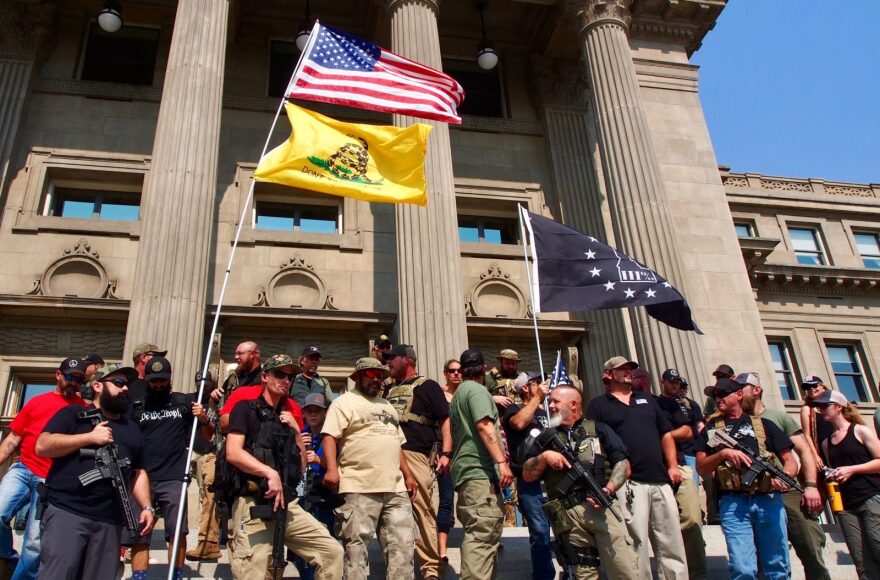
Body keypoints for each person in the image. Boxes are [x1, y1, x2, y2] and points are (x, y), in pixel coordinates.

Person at [226, 354, 342, 580]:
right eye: (279, 374)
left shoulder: (287, 417)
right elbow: (233, 452)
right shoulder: (245, 409)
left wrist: (298, 432)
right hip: (254, 501)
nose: (285, 380)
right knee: (255, 571)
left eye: (289, 376)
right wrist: (268, 472)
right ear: (265, 377)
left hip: (287, 504)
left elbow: (300, 466)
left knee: (332, 552)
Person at [35, 365, 155, 579]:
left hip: (110, 522)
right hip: (68, 512)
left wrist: (146, 506)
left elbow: (138, 472)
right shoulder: (74, 413)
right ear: (98, 385)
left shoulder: (133, 429)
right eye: (118, 383)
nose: (125, 388)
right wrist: (88, 438)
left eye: (127, 384)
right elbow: (42, 445)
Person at [522, 385, 639, 579]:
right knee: (583, 574)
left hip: (601, 509)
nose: (550, 405)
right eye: (550, 401)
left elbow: (623, 464)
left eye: (555, 401)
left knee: (623, 569)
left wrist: (609, 489)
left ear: (573, 405)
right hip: (568, 518)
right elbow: (527, 474)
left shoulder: (600, 429)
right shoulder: (546, 438)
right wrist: (543, 458)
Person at [586, 356, 686, 580]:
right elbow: (594, 446)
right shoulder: (598, 406)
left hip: (661, 480)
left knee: (672, 543)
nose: (629, 372)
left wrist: (672, 466)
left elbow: (666, 434)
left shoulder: (648, 400)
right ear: (609, 375)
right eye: (622, 369)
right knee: (635, 544)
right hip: (629, 485)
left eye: (630, 368)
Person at [321, 357, 416, 580]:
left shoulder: (387, 405)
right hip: (358, 485)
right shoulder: (343, 403)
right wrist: (332, 469)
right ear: (358, 377)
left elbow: (397, 442)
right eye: (371, 375)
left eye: (379, 376)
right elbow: (329, 436)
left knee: (403, 547)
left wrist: (409, 475)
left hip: (395, 488)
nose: (376, 379)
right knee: (356, 549)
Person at [696, 378, 798, 580]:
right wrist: (723, 454)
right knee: (742, 568)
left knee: (776, 566)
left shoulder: (765, 425)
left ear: (739, 395)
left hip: (768, 499)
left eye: (723, 394)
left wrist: (785, 478)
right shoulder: (711, 430)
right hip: (733, 502)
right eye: (715, 396)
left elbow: (790, 461)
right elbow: (701, 467)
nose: (718, 399)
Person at [0, 357, 87, 580]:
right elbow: (12, 440)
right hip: (23, 468)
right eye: (69, 377)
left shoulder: (84, 410)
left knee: (34, 543)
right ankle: (8, 558)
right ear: (58, 375)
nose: (73, 383)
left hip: (50, 480)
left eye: (79, 379)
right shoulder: (36, 402)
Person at [736, 371, 829, 580]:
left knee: (810, 547)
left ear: (756, 390)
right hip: (757, 494)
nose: (738, 393)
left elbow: (803, 451)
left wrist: (811, 486)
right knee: (768, 557)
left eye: (742, 388)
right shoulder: (734, 422)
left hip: (788, 492)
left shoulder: (779, 417)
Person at [128, 356, 207, 580]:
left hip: (174, 476)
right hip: (142, 476)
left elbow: (203, 441)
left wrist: (203, 419)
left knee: (177, 530)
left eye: (162, 380)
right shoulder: (136, 406)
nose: (158, 385)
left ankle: (176, 574)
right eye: (154, 381)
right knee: (141, 532)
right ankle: (139, 576)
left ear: (169, 379)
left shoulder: (183, 403)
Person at [381, 344, 451, 580]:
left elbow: (445, 420)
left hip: (416, 456)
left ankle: (430, 568)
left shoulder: (428, 386)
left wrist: (446, 452)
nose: (388, 362)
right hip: (387, 456)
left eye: (392, 358)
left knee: (422, 511)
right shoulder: (388, 390)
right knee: (389, 513)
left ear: (407, 360)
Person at [449, 347, 513, 580]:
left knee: (483, 536)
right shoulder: (476, 391)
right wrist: (502, 461)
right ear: (484, 368)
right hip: (478, 473)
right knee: (482, 534)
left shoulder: (459, 393)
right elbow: (485, 426)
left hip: (469, 474)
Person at [815, 389, 880, 579]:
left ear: (839, 407)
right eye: (819, 407)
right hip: (846, 505)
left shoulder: (860, 430)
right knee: (861, 560)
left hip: (871, 497)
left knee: (877, 545)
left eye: (825, 406)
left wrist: (852, 469)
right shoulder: (826, 443)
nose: (821, 410)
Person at [501, 371, 554, 580]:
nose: (542, 384)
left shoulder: (548, 412)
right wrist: (537, 398)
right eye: (536, 382)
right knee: (540, 533)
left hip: (557, 479)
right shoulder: (514, 409)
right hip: (531, 480)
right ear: (525, 387)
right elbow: (519, 424)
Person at [656, 368, 706, 580]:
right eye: (672, 382)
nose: (676, 386)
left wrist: (659, 438)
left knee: (692, 517)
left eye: (679, 383)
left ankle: (697, 573)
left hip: (687, 460)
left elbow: (692, 430)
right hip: (658, 465)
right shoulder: (655, 403)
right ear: (663, 382)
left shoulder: (688, 405)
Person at [292, 393, 339, 580]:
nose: (313, 415)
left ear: (325, 413)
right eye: (309, 411)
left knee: (325, 544)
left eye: (317, 411)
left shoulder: (332, 437)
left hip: (323, 498)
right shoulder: (299, 434)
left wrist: (319, 459)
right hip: (302, 497)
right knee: (301, 552)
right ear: (303, 414)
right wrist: (300, 449)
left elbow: (339, 466)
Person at [186, 371, 223, 562]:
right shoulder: (188, 400)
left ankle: (209, 541)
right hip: (189, 450)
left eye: (206, 382)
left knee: (208, 494)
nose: (202, 385)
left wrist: (213, 403)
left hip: (210, 451)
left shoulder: (217, 400)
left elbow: (218, 426)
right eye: (198, 381)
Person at [437, 358, 462, 564]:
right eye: (452, 371)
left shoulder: (468, 393)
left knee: (469, 498)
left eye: (460, 370)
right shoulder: (439, 394)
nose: (456, 374)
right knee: (446, 499)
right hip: (444, 452)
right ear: (446, 373)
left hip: (466, 451)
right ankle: (442, 548)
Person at [801, 375, 833, 471]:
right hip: (822, 452)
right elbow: (807, 435)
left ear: (823, 387)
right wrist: (815, 456)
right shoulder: (807, 409)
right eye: (807, 387)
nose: (811, 389)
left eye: (814, 386)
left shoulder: (834, 404)